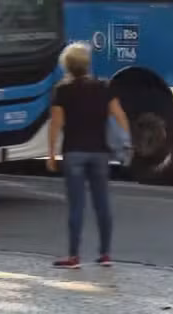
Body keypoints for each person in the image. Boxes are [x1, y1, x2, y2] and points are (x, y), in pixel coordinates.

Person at [47, 43, 130, 269]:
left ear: (67, 66)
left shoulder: (62, 90)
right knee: (102, 204)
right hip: (100, 153)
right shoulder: (104, 87)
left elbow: (56, 124)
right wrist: (125, 143)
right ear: (87, 64)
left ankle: (74, 257)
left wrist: (51, 153)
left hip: (73, 152)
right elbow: (120, 116)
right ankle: (105, 254)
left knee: (76, 206)